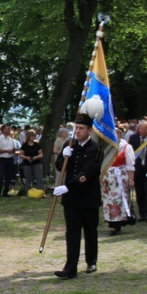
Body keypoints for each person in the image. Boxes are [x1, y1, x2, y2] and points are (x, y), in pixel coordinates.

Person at [52, 113, 101, 279]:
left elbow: (87, 174)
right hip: (72, 199)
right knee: (72, 233)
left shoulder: (95, 149)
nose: (77, 131)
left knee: (90, 231)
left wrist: (67, 187)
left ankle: (91, 260)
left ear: (89, 130)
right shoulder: (70, 144)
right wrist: (63, 156)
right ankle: (70, 268)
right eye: (76, 128)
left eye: (81, 128)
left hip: (88, 197)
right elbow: (60, 166)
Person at [102, 129, 135, 235]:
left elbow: (130, 165)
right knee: (108, 200)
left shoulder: (126, 147)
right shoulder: (107, 147)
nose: (116, 135)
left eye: (118, 133)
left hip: (120, 177)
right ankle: (110, 222)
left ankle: (117, 223)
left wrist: (131, 179)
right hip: (107, 177)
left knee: (118, 199)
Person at [128, 121, 147, 222]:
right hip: (137, 169)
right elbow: (130, 153)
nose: (142, 131)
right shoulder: (133, 138)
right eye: (141, 129)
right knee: (139, 192)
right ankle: (142, 214)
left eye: (145, 129)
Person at [18, 128, 44, 193]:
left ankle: (41, 191)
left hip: (37, 162)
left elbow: (41, 154)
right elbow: (21, 154)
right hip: (27, 163)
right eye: (32, 136)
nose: (33, 137)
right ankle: (28, 192)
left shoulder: (37, 145)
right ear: (28, 137)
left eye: (34, 136)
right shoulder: (24, 145)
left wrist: (36, 157)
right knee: (28, 179)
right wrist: (26, 157)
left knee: (39, 178)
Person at [0, 124, 15, 197]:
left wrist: (12, 151)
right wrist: (6, 150)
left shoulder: (11, 139)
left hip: (10, 158)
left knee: (8, 176)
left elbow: (12, 149)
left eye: (9, 129)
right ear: (3, 130)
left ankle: (5, 191)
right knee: (1, 176)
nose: (8, 130)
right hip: (2, 159)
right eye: (6, 129)